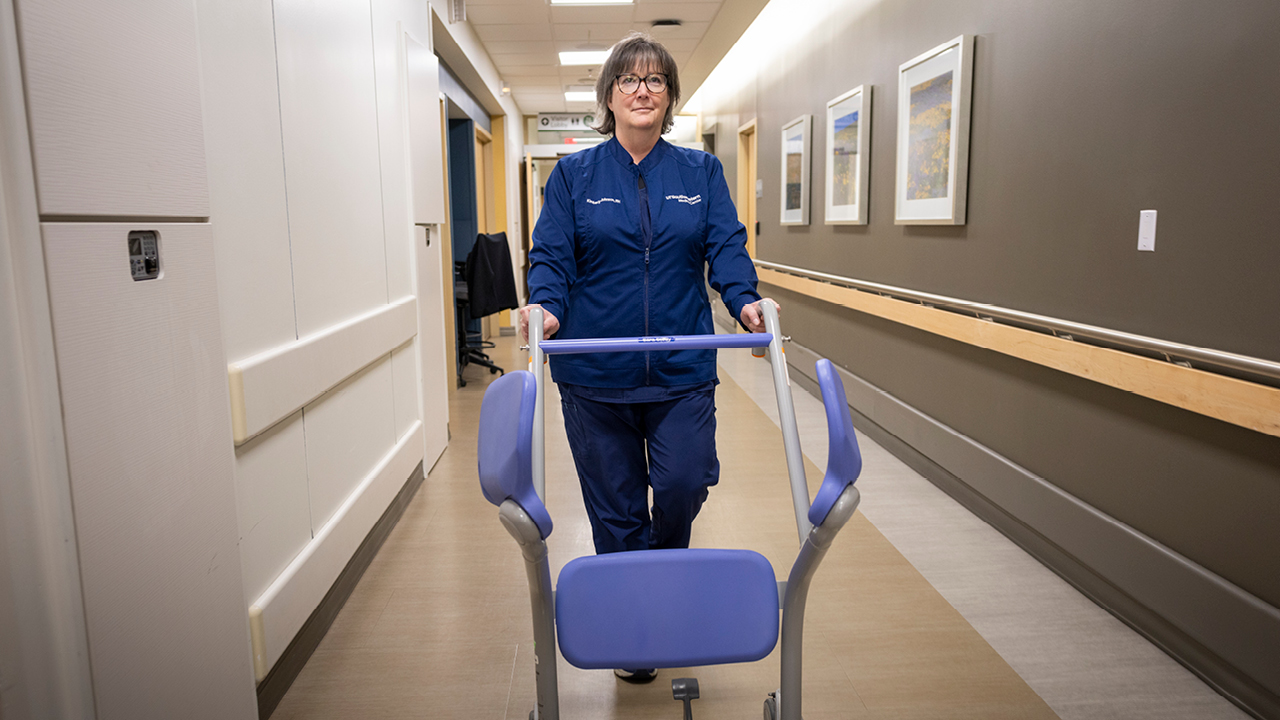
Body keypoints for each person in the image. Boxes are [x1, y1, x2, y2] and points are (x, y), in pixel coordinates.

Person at [519, 32, 777, 682]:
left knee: (685, 485)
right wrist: (546, 306)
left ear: (668, 98)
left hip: (682, 370)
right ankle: (639, 630)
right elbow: (551, 253)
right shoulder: (575, 175)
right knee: (617, 512)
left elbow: (727, 243)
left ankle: (658, 581)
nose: (642, 90)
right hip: (595, 376)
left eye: (655, 80)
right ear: (609, 96)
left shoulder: (700, 172)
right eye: (629, 80)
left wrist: (744, 300)